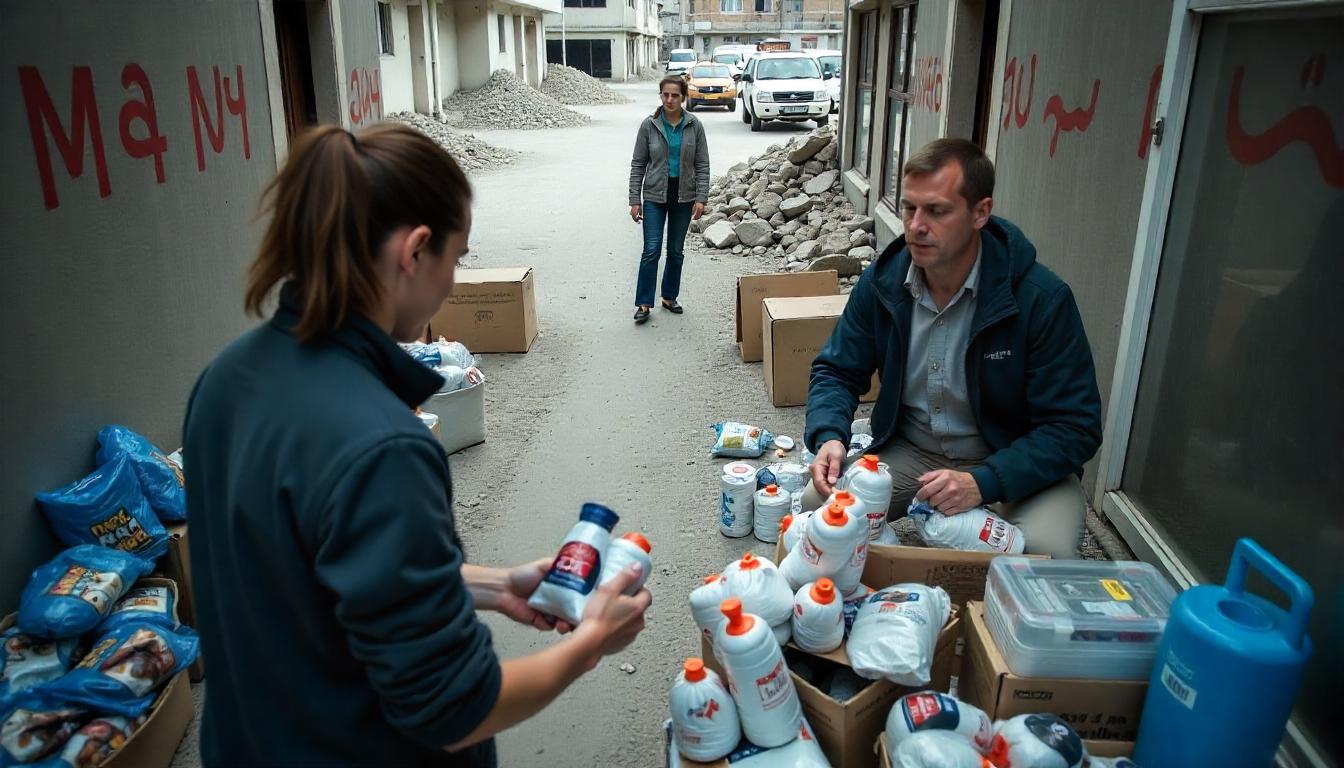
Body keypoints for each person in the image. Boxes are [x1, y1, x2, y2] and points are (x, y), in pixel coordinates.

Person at [183, 124, 651, 767]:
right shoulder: (382, 448)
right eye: (455, 259)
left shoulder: (227, 379)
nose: (453, 284)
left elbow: (304, 579)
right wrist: (589, 642)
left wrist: (490, 585)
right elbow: (455, 709)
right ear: (415, 251)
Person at [800, 139, 1102, 559]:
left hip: (1010, 456)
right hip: (915, 451)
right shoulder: (884, 282)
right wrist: (829, 435)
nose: (916, 226)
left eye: (937, 211)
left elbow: (1075, 427)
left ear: (980, 212)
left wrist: (985, 482)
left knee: (1046, 557)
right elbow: (837, 370)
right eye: (909, 208)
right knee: (819, 512)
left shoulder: (1040, 298)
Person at [628, 75, 710, 324]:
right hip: (654, 194)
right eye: (665, 94)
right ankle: (643, 303)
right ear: (661, 95)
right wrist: (635, 199)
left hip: (684, 196)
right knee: (651, 249)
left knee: (675, 250)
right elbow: (638, 164)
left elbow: (702, 164)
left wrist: (701, 197)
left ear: (683, 97)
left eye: (675, 95)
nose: (669, 99)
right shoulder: (649, 125)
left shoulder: (694, 125)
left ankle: (669, 296)